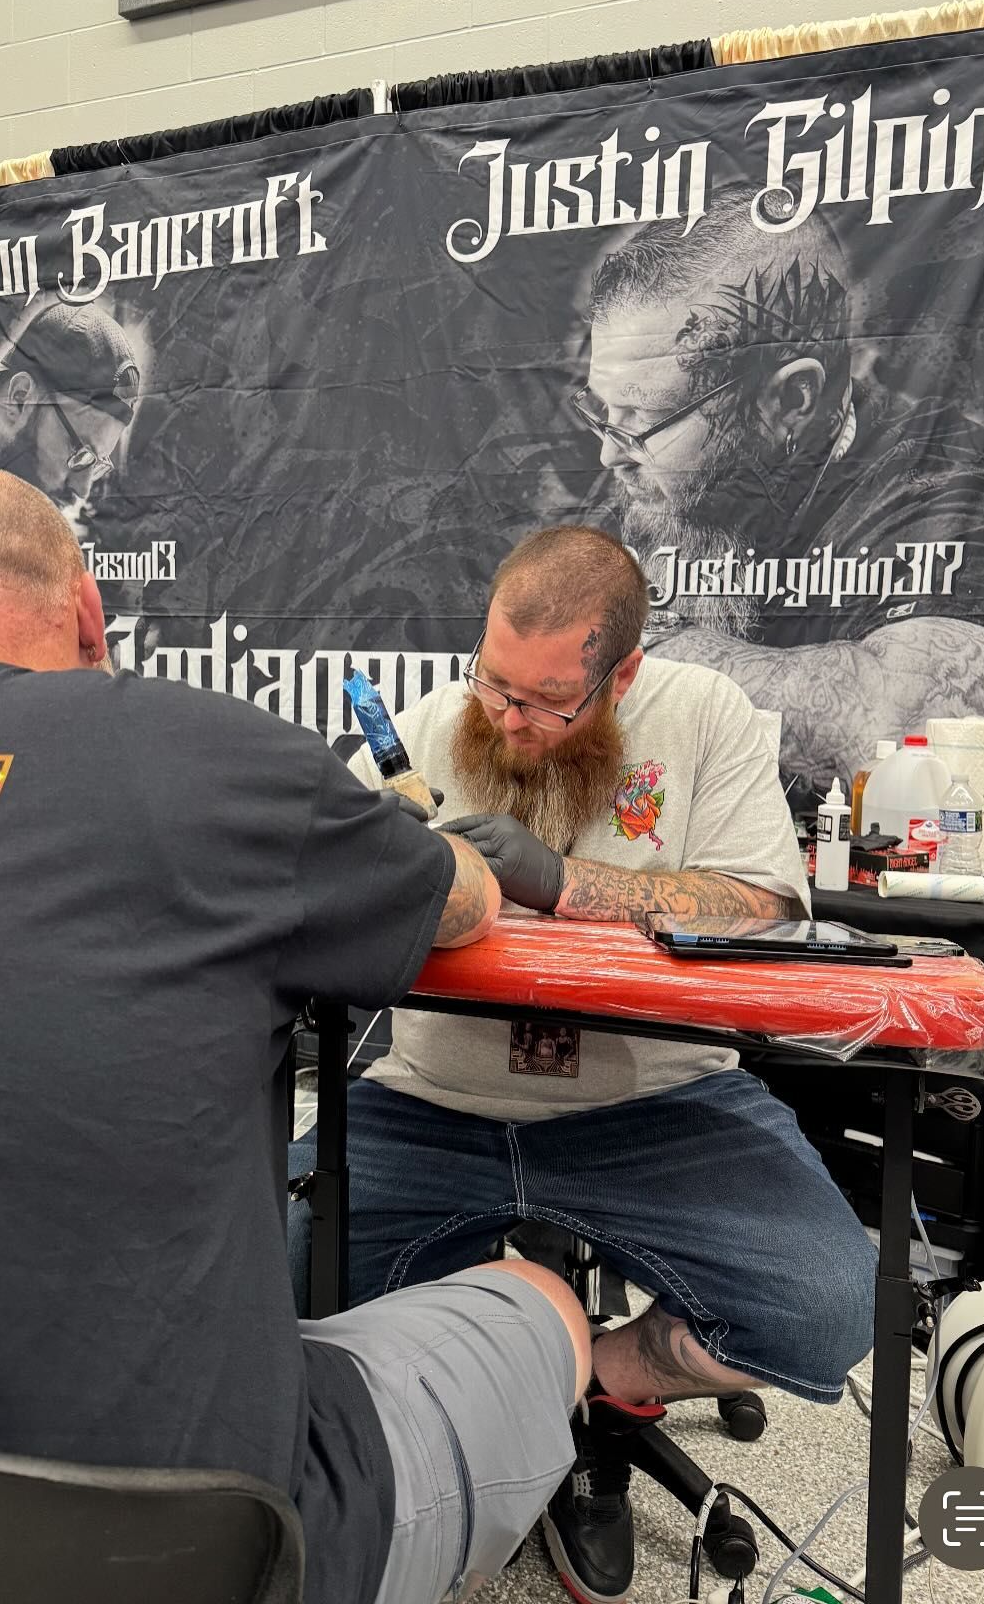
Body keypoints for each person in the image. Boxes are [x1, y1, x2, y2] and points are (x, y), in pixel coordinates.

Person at [0, 465, 599, 1604]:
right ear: (85, 613)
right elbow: (461, 900)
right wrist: (454, 850)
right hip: (187, 1545)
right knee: (541, 1306)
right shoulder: (201, 749)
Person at [288, 526, 877, 1604]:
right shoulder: (425, 729)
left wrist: (567, 880)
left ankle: (582, 1382)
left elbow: (762, 906)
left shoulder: (703, 718)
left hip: (655, 1100)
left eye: (548, 703)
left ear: (625, 673)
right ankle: (469, 1394)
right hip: (435, 1099)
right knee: (259, 1275)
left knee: (827, 1302)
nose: (509, 722)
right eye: (494, 683)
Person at [577, 194, 984, 800]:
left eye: (643, 420)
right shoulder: (646, 479)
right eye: (603, 413)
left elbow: (916, 735)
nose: (609, 454)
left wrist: (639, 643)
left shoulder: (950, 482)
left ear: (792, 401)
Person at [0, 301, 140, 538]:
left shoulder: (3, 515)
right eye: (81, 454)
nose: (82, 489)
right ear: (20, 399)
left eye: (97, 464)